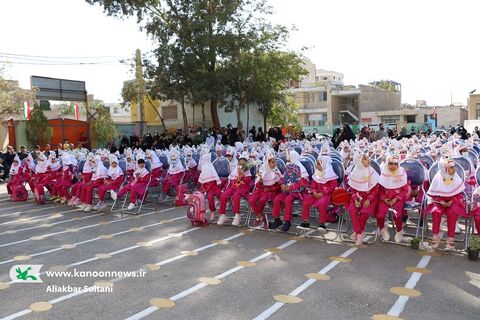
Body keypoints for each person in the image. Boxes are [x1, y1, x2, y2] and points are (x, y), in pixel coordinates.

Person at [425, 157, 466, 250]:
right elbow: (433, 195)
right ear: (444, 168)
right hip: (439, 201)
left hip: (453, 201)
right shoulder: (437, 177)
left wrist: (452, 201)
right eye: (451, 167)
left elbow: (459, 195)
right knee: (436, 212)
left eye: (453, 167)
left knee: (452, 213)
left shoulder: (456, 177)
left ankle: (450, 238)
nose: (454, 169)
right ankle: (435, 237)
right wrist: (441, 201)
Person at [269, 150, 309, 232]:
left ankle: (287, 221)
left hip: (298, 192)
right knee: (277, 199)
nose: (288, 159)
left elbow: (303, 183)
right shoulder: (289, 166)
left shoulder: (300, 168)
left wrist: (291, 188)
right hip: (287, 190)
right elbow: (284, 178)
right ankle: (277, 220)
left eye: (289, 158)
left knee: (288, 200)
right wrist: (282, 185)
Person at [346, 153, 380, 245]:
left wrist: (369, 199)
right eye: (365, 159)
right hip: (357, 198)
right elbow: (352, 189)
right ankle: (360, 232)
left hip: (369, 199)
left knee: (364, 213)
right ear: (360, 161)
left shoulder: (372, 172)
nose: (369, 160)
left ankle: (357, 232)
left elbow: (375, 189)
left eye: (368, 159)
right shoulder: (355, 172)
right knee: (352, 210)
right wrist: (356, 199)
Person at [376, 154, 411, 243]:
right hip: (385, 199)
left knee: (397, 215)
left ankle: (399, 231)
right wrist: (384, 198)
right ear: (387, 164)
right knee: (380, 215)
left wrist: (396, 198)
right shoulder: (384, 172)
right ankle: (383, 229)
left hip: (398, 198)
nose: (393, 166)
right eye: (391, 163)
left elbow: (404, 190)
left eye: (395, 164)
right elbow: (380, 189)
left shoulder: (401, 172)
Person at [300, 155, 339, 230]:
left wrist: (322, 193)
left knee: (322, 203)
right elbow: (313, 185)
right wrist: (314, 192)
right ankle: (306, 222)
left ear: (324, 164)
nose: (316, 166)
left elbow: (332, 187)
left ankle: (322, 223)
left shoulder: (331, 174)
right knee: (306, 201)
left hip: (326, 195)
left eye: (318, 164)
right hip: (315, 194)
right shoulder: (317, 173)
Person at [248, 152, 282, 228]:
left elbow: (280, 182)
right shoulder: (261, 169)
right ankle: (260, 216)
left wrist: (273, 188)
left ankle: (260, 218)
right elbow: (256, 183)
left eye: (275, 162)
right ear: (267, 163)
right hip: (261, 189)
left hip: (270, 190)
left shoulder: (276, 170)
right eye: (273, 162)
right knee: (251, 200)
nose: (275, 164)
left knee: (262, 200)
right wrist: (260, 182)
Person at [217, 155, 252, 226]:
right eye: (239, 164)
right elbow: (231, 180)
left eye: (243, 164)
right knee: (223, 195)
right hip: (234, 186)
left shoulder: (247, 172)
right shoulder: (235, 170)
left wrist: (241, 175)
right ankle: (223, 215)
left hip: (243, 188)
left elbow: (247, 182)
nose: (241, 166)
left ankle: (237, 215)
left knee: (236, 196)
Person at [198, 152, 222, 221]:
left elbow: (215, 181)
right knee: (209, 197)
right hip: (208, 190)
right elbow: (202, 182)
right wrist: (203, 190)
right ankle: (212, 211)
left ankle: (222, 212)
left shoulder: (211, 168)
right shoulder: (203, 170)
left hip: (214, 187)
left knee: (221, 195)